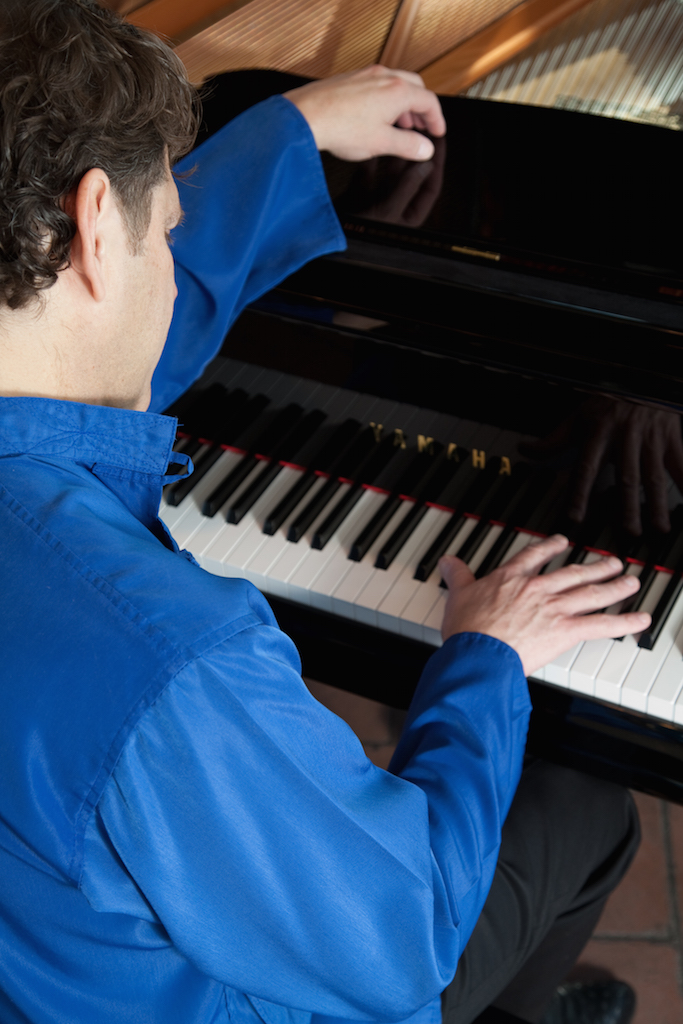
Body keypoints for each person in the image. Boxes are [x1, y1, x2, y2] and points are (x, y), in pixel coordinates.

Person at [0, 2, 647, 1023]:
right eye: (165, 230)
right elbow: (405, 933)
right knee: (584, 804)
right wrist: (485, 657)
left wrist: (291, 135)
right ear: (91, 227)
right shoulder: (172, 663)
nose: (171, 264)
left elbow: (116, 327)